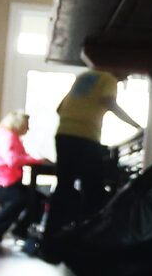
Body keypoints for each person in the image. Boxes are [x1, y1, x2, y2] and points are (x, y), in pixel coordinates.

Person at [48, 68, 140, 238]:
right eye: (127, 73)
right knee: (93, 188)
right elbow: (110, 103)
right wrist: (137, 126)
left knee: (64, 186)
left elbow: (59, 108)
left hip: (63, 134)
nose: (126, 77)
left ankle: (51, 237)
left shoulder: (84, 76)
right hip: (85, 136)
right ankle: (86, 236)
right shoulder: (109, 78)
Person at [0, 112, 44, 245]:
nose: (27, 129)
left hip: (7, 180)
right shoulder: (8, 137)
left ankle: (19, 230)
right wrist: (36, 160)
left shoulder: (10, 137)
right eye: (26, 125)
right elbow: (12, 160)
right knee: (21, 199)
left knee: (37, 199)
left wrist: (31, 159)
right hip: (2, 182)